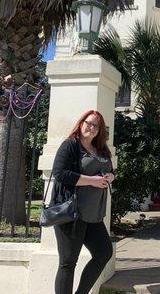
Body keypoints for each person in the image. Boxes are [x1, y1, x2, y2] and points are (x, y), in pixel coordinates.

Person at [51, 109, 115, 294]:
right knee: (68, 262)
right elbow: (60, 173)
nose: (92, 128)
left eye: (96, 126)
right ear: (81, 123)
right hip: (72, 212)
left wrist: (111, 176)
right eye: (89, 123)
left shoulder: (100, 148)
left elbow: (109, 169)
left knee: (103, 253)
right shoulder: (70, 145)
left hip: (93, 213)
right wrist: (92, 181)